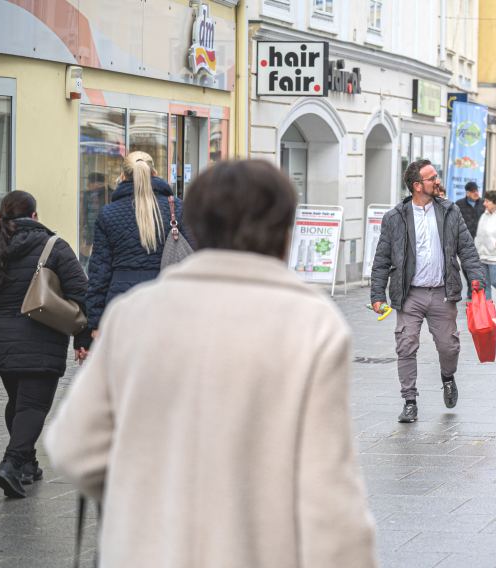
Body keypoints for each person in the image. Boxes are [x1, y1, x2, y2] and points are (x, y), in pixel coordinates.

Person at [45, 160, 377, 566]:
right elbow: (328, 494)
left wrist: (143, 494)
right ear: (287, 235)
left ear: (194, 229)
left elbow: (74, 448)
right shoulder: (310, 323)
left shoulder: (133, 314)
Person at [370, 159, 486, 424]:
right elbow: (382, 258)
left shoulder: (449, 211)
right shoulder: (394, 218)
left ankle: (447, 377)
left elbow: (466, 249)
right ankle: (409, 401)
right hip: (409, 294)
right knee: (406, 345)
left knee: (449, 347)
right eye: (431, 177)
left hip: (442, 293)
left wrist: (476, 279)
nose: (437, 181)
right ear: (416, 186)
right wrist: (377, 295)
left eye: (436, 176)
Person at [0, 192, 90, 498]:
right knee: (33, 406)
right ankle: (11, 464)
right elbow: (81, 293)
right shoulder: (53, 246)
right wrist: (82, 339)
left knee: (19, 402)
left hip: (1, 341)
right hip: (41, 339)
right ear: (34, 216)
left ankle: (28, 463)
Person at [86, 151, 186, 340]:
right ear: (155, 173)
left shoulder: (108, 214)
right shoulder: (177, 208)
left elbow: (99, 272)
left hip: (121, 301)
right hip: (166, 298)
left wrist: (95, 321)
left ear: (123, 177)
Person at [455, 181, 485, 298]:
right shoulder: (459, 204)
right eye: (473, 191)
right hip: (466, 240)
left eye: (477, 190)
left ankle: (478, 286)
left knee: (479, 265)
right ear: (467, 193)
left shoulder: (483, 203)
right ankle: (470, 285)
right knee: (466, 265)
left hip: (481, 240)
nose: (476, 193)